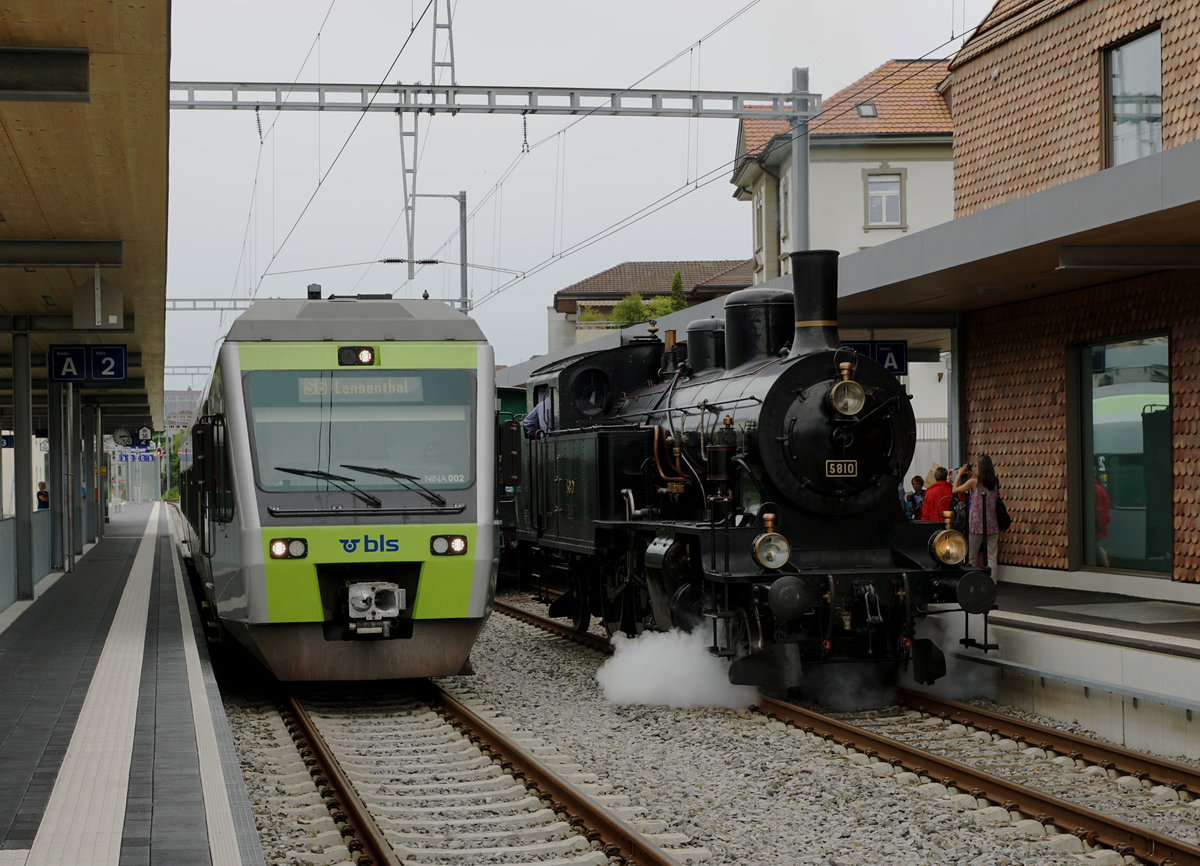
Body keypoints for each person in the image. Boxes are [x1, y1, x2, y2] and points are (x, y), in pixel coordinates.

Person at [953, 454, 1002, 572]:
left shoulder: (973, 482)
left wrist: (959, 474)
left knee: (972, 556)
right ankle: (992, 581)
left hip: (976, 524)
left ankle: (971, 580)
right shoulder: (995, 482)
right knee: (992, 556)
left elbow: (954, 490)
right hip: (992, 523)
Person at [1094, 480, 1111, 567]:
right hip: (1100, 522)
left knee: (1097, 546)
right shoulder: (1100, 489)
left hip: (1096, 524)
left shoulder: (1093, 489)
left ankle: (1106, 566)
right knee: (1097, 545)